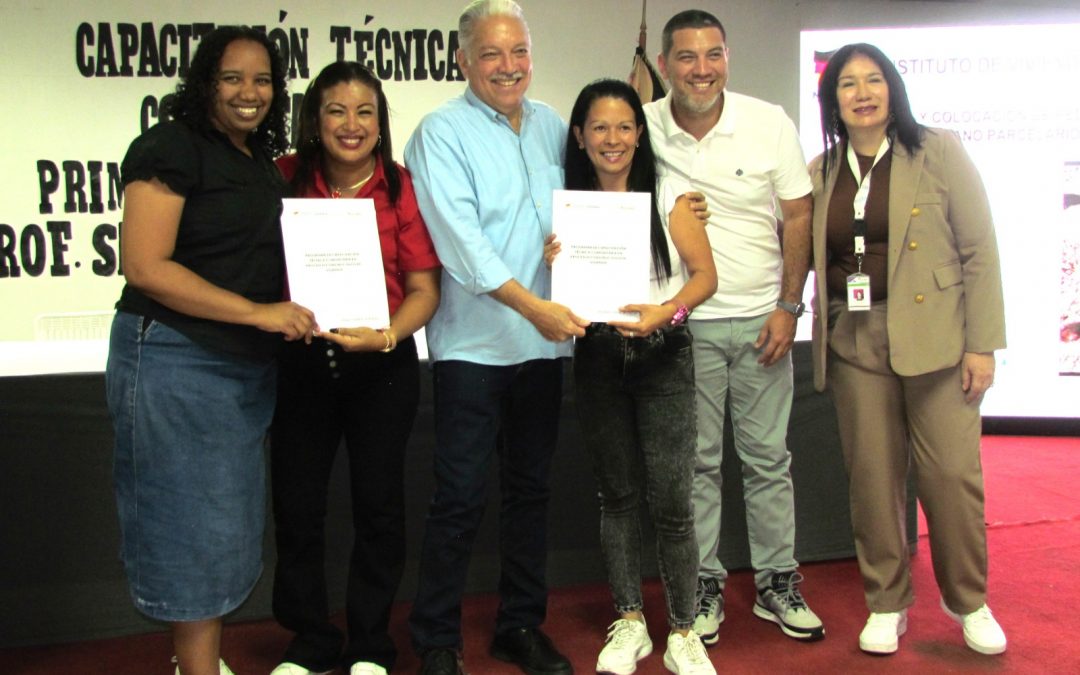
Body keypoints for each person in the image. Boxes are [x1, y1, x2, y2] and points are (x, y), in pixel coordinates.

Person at [104, 26, 315, 675]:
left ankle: (195, 658)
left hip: (241, 368)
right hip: (177, 358)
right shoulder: (170, 146)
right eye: (232, 77)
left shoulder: (254, 160)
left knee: (220, 525)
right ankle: (196, 667)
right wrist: (258, 312)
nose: (248, 92)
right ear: (205, 83)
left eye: (262, 79)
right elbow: (145, 265)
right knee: (191, 528)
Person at [402, 1, 589, 674]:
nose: (508, 67)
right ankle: (436, 637)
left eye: (518, 52)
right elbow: (461, 244)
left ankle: (519, 623)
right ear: (463, 60)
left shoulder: (552, 128)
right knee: (457, 496)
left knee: (530, 492)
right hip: (474, 348)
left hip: (543, 349)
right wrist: (532, 303)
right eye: (491, 54)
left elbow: (577, 214)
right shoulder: (440, 133)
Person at [810, 42, 1007, 656]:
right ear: (832, 99)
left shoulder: (938, 151)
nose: (862, 93)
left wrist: (983, 345)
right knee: (873, 479)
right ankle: (886, 603)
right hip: (855, 339)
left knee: (951, 476)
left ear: (893, 89)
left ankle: (968, 601)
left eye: (874, 80)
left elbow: (979, 250)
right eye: (848, 84)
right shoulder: (822, 170)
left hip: (939, 339)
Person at [643, 9, 825, 646]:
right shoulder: (643, 126)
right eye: (687, 57)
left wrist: (789, 306)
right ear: (664, 65)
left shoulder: (768, 120)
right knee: (697, 464)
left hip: (759, 321)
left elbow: (798, 218)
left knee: (769, 460)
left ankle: (778, 580)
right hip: (684, 323)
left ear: (728, 57)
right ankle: (706, 584)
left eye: (713, 54)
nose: (701, 69)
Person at [267, 62, 441, 675]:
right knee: (297, 507)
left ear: (380, 121)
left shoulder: (399, 185)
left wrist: (389, 334)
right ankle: (310, 639)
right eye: (336, 110)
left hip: (382, 365)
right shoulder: (284, 178)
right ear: (315, 118)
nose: (351, 124)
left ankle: (370, 644)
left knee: (379, 508)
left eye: (364, 111)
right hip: (302, 363)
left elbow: (424, 288)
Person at [545, 78, 718, 675]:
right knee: (616, 497)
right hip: (596, 355)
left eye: (623, 127)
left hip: (663, 353)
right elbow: (559, 298)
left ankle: (684, 630)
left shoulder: (668, 191)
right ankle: (629, 621)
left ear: (639, 134)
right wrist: (553, 267)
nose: (612, 139)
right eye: (599, 128)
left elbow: (703, 277)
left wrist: (665, 315)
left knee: (672, 502)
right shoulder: (567, 201)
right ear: (579, 136)